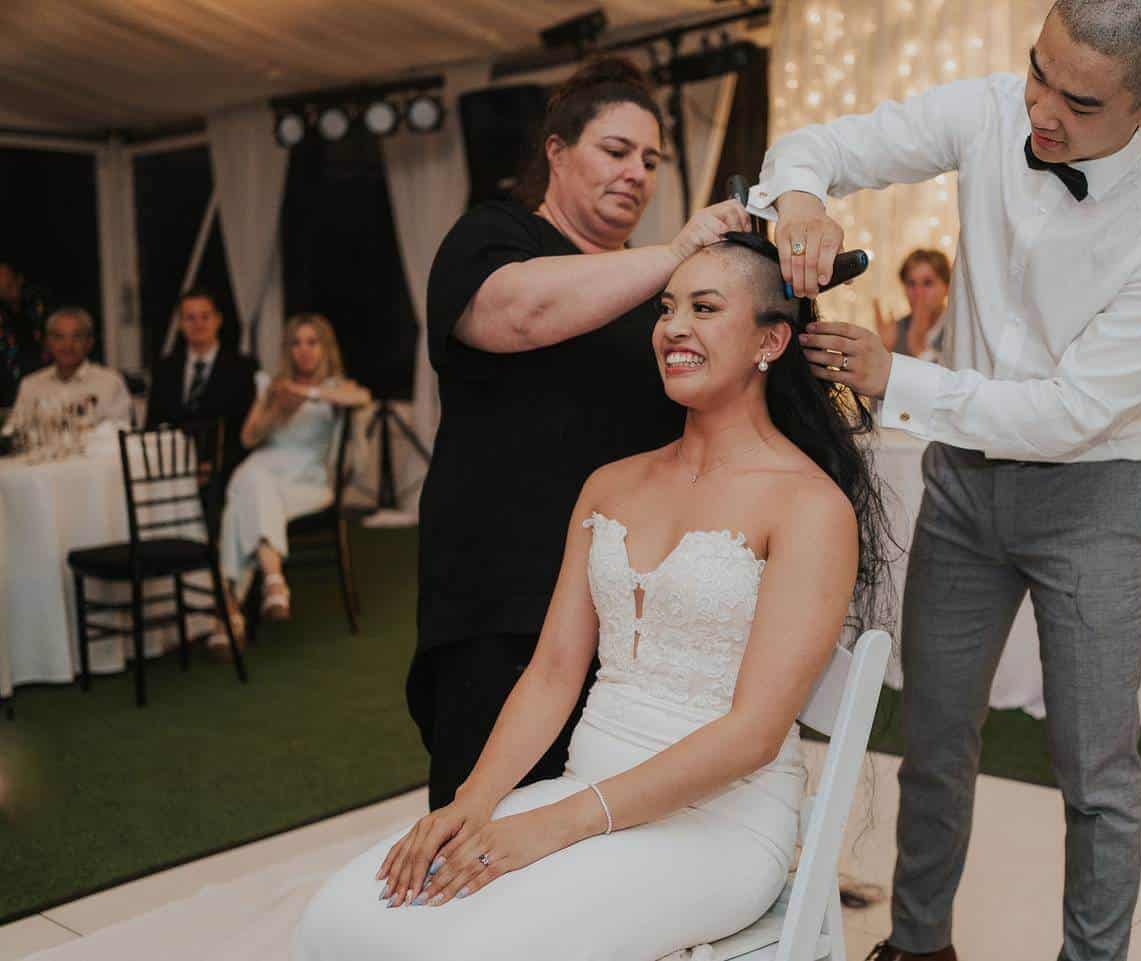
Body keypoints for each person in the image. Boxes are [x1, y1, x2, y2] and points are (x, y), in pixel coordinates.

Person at [751, 1, 1141, 959]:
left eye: (1079, 101)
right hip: (963, 487)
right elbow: (823, 142)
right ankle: (919, 942)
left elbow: (1073, 411)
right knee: (933, 739)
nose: (1042, 110)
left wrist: (899, 378)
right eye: (1036, 72)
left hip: (1091, 499)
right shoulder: (990, 110)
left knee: (1096, 770)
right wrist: (798, 195)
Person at [294, 234, 888, 961]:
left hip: (719, 824)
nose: (673, 327)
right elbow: (550, 674)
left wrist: (557, 825)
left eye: (704, 307)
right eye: (667, 308)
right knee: (337, 922)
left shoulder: (809, 507)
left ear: (771, 338)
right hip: (579, 789)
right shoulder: (610, 484)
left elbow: (754, 734)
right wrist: (473, 802)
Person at [409, 57, 753, 813]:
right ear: (558, 154)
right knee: (486, 815)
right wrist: (673, 255)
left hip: (621, 614)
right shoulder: (491, 236)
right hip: (500, 597)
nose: (637, 172)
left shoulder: (660, 297)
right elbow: (516, 314)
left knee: (592, 824)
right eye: (616, 150)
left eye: (652, 159)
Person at [217, 314, 370, 635]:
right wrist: (277, 409)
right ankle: (274, 583)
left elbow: (361, 398)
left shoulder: (335, 387)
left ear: (324, 347)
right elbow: (247, 438)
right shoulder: (272, 385)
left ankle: (228, 614)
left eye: (312, 342)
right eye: (297, 343)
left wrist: (309, 395)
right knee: (256, 482)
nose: (304, 350)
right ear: (288, 349)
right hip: (264, 468)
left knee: (239, 509)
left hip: (307, 482)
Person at [145, 287, 260, 514]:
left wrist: (214, 467)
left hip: (225, 471)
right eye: (190, 318)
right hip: (171, 470)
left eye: (205, 316)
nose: (198, 324)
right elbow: (153, 425)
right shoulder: (164, 369)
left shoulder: (242, 368)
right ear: (180, 324)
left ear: (218, 320)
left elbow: (249, 432)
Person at [1, 307, 132, 433]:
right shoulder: (31, 384)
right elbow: (13, 430)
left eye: (77, 337)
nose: (67, 345)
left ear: (89, 343)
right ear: (47, 343)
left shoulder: (110, 382)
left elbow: (121, 429)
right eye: (59, 337)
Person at [874, 249, 951, 363]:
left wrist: (919, 349)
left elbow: (957, 378)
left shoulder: (958, 328)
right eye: (911, 284)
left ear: (947, 287)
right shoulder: (895, 331)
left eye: (928, 283)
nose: (918, 293)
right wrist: (884, 350)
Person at [0, 262, 43, 410]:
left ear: (19, 279)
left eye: (10, 282)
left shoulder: (37, 308)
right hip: (8, 395)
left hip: (42, 388)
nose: (6, 288)